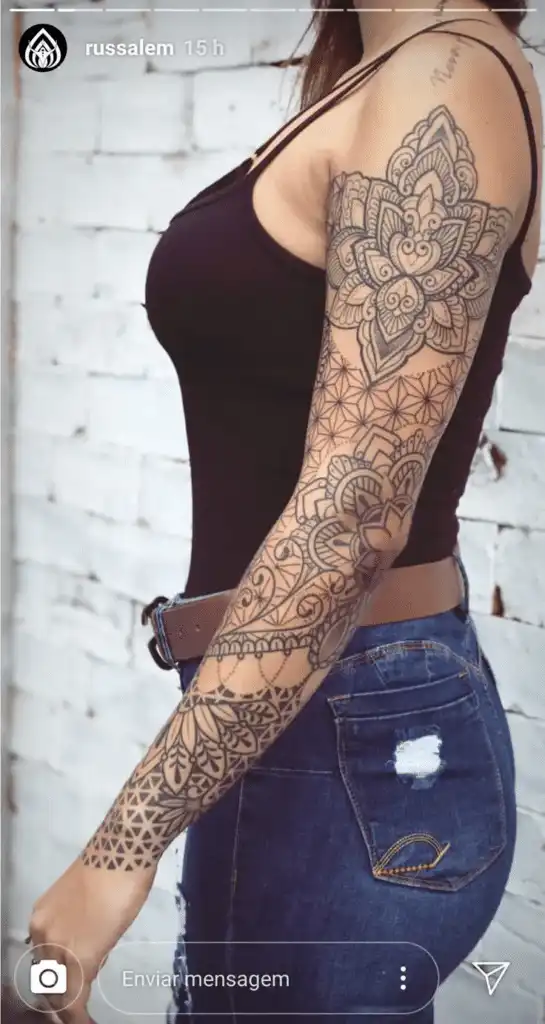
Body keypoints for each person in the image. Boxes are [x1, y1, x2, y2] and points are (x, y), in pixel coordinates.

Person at [27, 0, 541, 1021]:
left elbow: (352, 517)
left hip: (338, 721)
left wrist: (119, 847)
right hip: (313, 708)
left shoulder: (440, 77)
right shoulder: (398, 67)